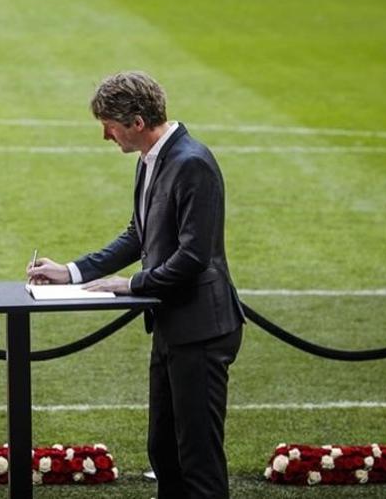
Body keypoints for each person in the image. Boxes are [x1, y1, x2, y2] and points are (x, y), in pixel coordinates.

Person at [27, 71, 244, 499]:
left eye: (109, 125)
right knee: (164, 451)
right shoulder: (153, 159)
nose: (106, 136)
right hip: (172, 325)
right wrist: (71, 271)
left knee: (197, 458)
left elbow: (195, 255)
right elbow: (138, 234)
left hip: (201, 330)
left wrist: (133, 284)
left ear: (138, 122)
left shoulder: (192, 162)